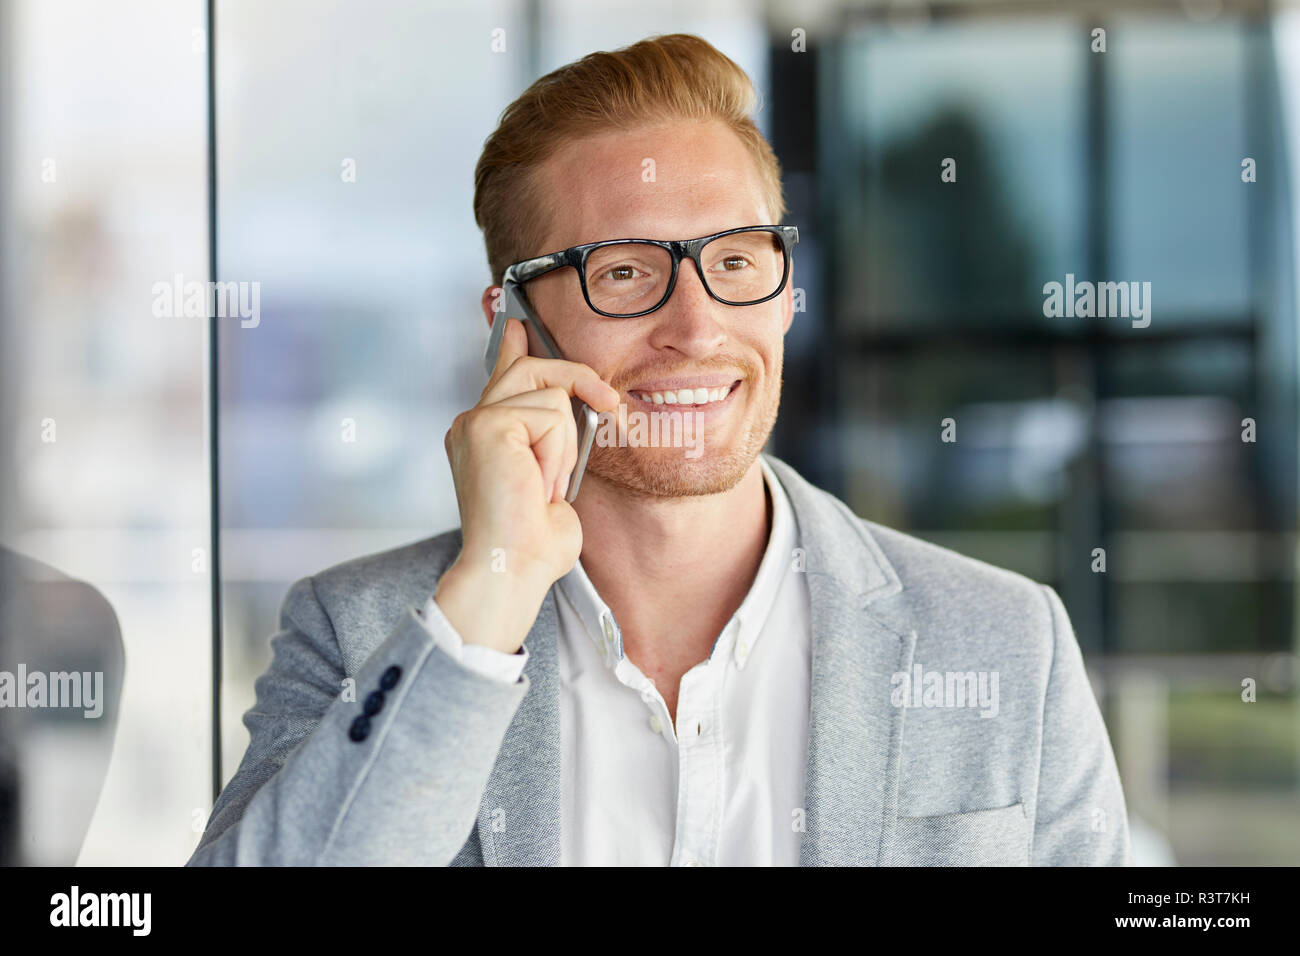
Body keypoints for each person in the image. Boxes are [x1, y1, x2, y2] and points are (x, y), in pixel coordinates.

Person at [188, 33, 1130, 867]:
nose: (698, 327)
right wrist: (494, 591)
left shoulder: (1007, 643)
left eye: (734, 261)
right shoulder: (360, 631)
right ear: (511, 325)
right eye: (626, 272)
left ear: (787, 289)